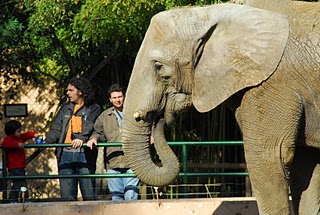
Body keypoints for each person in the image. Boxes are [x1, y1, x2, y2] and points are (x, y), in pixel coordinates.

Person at [45, 77, 101, 201]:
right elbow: (56, 128)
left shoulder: (94, 108)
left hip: (84, 155)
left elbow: (91, 124)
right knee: (67, 196)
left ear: (80, 92)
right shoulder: (65, 108)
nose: (67, 93)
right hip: (65, 154)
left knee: (89, 194)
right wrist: (45, 142)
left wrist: (81, 138)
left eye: (71, 90)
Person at [87, 84, 140, 200]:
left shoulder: (134, 113)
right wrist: (94, 139)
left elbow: (144, 127)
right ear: (110, 100)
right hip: (113, 162)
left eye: (120, 97)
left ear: (124, 97)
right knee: (116, 198)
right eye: (114, 98)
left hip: (132, 162)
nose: (118, 100)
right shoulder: (105, 116)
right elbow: (98, 131)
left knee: (131, 197)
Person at [2, 120, 39, 203]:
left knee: (21, 183)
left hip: (21, 166)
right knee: (19, 183)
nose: (20, 133)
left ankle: (18, 199)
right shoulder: (9, 139)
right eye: (18, 131)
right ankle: (19, 199)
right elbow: (5, 144)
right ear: (12, 132)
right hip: (14, 167)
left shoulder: (20, 137)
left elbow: (26, 135)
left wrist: (34, 134)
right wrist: (17, 145)